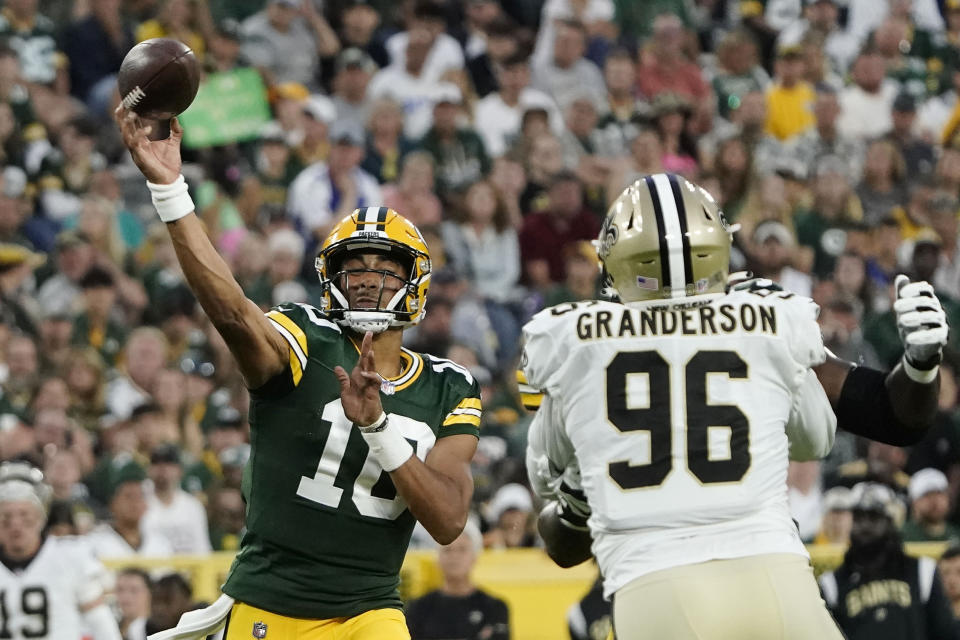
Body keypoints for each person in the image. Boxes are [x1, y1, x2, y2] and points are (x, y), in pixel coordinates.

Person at [522, 174, 948, 638]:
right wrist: (921, 364)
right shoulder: (763, 320)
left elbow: (563, 546)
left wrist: (582, 496)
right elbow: (895, 418)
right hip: (776, 580)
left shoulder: (575, 345)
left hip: (657, 590)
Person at [115, 106, 480, 639]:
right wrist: (171, 191)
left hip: (368, 610)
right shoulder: (307, 337)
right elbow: (233, 312)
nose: (366, 279)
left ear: (416, 283)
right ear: (330, 277)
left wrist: (379, 428)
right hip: (270, 604)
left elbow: (448, 521)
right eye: (353, 267)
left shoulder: (448, 386)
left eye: (384, 268)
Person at [819, 483, 959, 639]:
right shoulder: (833, 582)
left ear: (891, 520)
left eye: (874, 517)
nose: (866, 525)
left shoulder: (922, 571)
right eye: (860, 517)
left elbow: (947, 633)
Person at [0, 463, 121, 639]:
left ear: (40, 518)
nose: (16, 525)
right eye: (6, 518)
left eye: (25, 516)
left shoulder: (70, 555)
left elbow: (100, 620)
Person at [404, 522, 510, 640]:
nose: (454, 556)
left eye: (462, 549)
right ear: (437, 558)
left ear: (474, 557)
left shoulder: (495, 607)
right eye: (448, 550)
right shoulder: (418, 608)